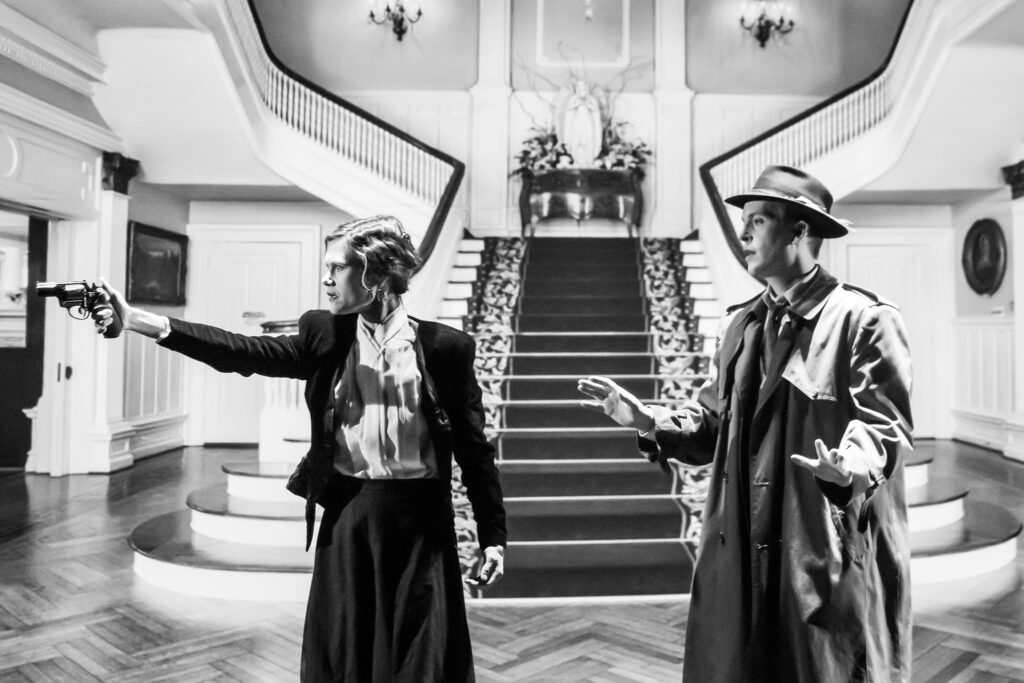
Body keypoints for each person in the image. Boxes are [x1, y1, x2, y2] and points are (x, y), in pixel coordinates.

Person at [94, 215, 507, 682]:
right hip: (350, 515)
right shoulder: (325, 335)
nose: (326, 278)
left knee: (422, 655)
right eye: (325, 266)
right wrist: (138, 321)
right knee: (347, 650)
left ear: (377, 271)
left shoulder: (446, 348)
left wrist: (492, 534)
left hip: (424, 526)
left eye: (338, 267)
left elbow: (474, 449)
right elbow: (241, 351)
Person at [578, 166, 913, 682]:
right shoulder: (739, 323)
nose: (743, 234)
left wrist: (850, 465)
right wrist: (650, 420)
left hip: (817, 547)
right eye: (744, 220)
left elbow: (884, 426)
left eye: (758, 220)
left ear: (800, 230)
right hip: (738, 554)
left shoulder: (863, 319)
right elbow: (714, 423)